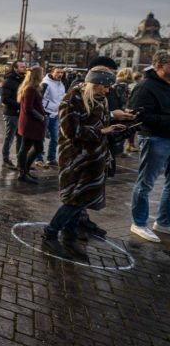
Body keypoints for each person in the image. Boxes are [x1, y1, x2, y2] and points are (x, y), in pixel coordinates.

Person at [40, 66, 126, 260]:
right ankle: (50, 233)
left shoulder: (100, 99)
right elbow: (70, 131)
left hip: (94, 158)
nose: (108, 90)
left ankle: (69, 236)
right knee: (73, 199)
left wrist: (116, 117)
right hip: (75, 158)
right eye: (104, 86)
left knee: (82, 200)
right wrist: (102, 131)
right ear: (93, 84)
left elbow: (97, 120)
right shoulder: (71, 99)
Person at [128, 50, 170, 242]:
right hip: (154, 139)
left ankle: (163, 222)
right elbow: (139, 116)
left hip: (167, 137)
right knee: (145, 183)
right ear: (161, 65)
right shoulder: (145, 86)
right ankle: (138, 223)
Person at [16, 66, 46, 184]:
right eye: (42, 74)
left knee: (38, 148)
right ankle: (23, 173)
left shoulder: (34, 88)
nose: (43, 76)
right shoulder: (30, 89)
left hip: (33, 123)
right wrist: (41, 117)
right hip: (30, 123)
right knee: (25, 148)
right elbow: (28, 108)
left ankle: (25, 171)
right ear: (37, 75)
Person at [37, 66, 66, 168]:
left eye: (62, 72)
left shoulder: (61, 83)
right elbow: (39, 99)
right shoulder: (45, 83)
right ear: (52, 72)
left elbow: (62, 97)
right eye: (58, 72)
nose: (60, 74)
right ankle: (38, 159)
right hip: (46, 113)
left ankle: (51, 159)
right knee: (41, 137)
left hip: (55, 114)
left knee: (55, 137)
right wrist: (42, 112)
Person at [1, 60, 27, 170]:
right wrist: (20, 106)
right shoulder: (8, 81)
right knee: (9, 137)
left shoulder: (24, 79)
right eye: (22, 66)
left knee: (20, 137)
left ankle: (20, 160)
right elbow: (5, 99)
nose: (24, 68)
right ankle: (6, 160)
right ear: (15, 68)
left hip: (21, 113)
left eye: (25, 66)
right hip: (11, 114)